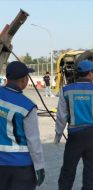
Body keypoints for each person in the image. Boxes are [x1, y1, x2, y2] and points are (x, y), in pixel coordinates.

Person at [54, 60, 93, 190]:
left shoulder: (66, 90)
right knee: (92, 172)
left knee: (68, 170)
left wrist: (58, 134)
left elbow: (61, 116)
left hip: (75, 136)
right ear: (90, 73)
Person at [0, 61, 45, 189]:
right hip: (21, 167)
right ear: (24, 80)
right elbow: (33, 141)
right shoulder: (27, 106)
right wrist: (39, 166)